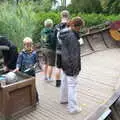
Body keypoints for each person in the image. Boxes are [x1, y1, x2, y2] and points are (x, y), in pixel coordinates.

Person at [59, 17, 84, 113]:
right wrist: (75, 69)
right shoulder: (73, 37)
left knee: (65, 82)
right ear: (74, 26)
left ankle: (63, 99)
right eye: (79, 27)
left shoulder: (64, 33)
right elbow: (74, 55)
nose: (80, 29)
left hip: (64, 61)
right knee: (72, 85)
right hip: (70, 64)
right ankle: (73, 108)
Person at [14, 37, 39, 102]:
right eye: (27, 45)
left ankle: (36, 99)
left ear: (32, 45)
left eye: (30, 45)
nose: (28, 46)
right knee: (24, 86)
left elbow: (36, 62)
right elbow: (18, 63)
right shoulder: (21, 54)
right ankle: (26, 100)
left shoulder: (34, 53)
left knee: (33, 86)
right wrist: (17, 68)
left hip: (32, 73)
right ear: (24, 45)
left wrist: (34, 66)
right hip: (23, 73)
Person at [54, 10, 70, 87]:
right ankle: (65, 83)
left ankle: (57, 83)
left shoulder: (56, 26)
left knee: (58, 67)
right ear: (68, 16)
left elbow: (54, 38)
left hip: (58, 50)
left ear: (61, 16)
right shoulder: (70, 26)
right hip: (67, 51)